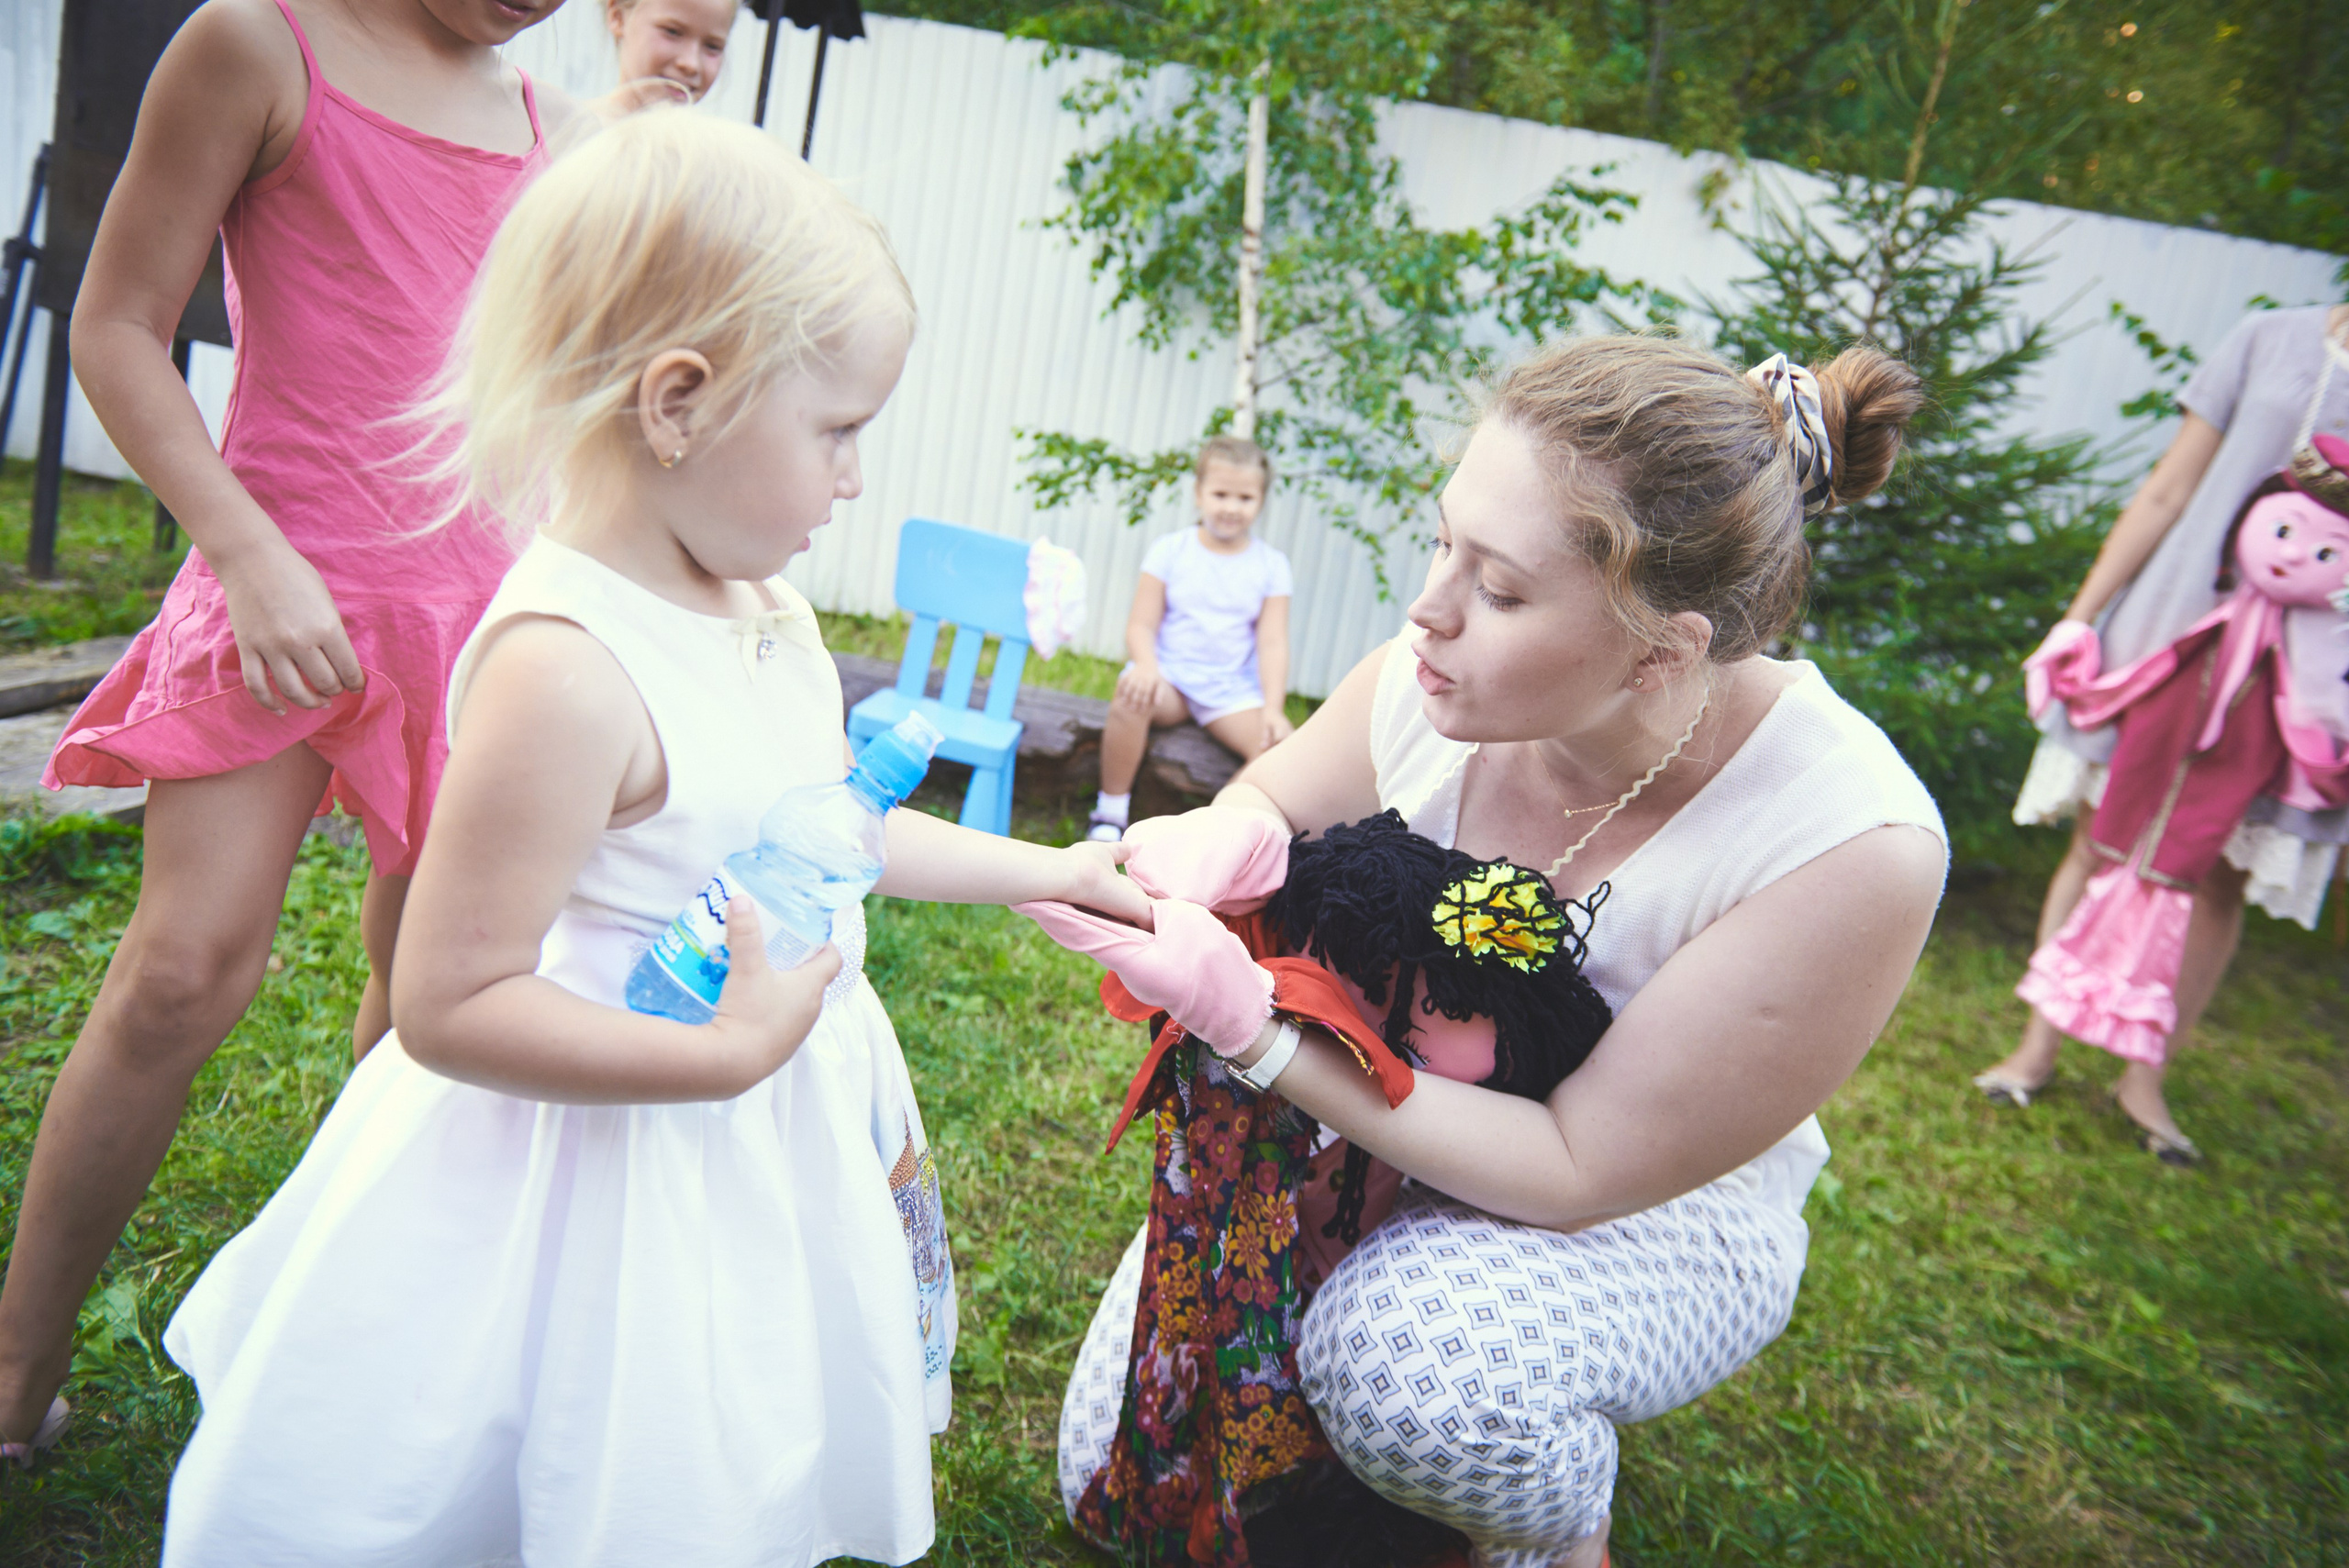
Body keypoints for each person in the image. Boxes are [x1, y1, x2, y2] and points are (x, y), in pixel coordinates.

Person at [155, 112, 1147, 1565]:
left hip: (749, 1123)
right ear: (678, 402)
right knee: (581, 1450)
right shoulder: (567, 665)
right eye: (838, 433)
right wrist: (722, 1056)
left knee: (731, 1429)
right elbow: (448, 1000)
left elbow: (828, 830)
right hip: (590, 1159)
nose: (854, 480)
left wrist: (1046, 870)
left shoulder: (766, 608)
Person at [1040, 336, 1948, 1568]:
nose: (1431, 606)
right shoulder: (1429, 676)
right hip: (1382, 1116)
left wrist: (1256, 1032)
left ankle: (1560, 1525)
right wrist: (1225, 842)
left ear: (1665, 650)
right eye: (1444, 542)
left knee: (1419, 1382)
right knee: (1115, 1478)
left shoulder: (1849, 842)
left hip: (1638, 1196)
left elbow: (1577, 1163)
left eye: (1503, 589)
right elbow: (1268, 801)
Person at [2, 0, 591, 1465]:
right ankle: (15, 1371)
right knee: (182, 972)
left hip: (477, 628)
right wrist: (252, 556)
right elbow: (118, 323)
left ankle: (322, 1356)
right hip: (285, 582)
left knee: (421, 1020)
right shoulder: (260, 45)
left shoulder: (555, 128)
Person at [1976, 301, 2349, 1160]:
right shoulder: (2266, 336)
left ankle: (2145, 1074)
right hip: (2173, 635)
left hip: (2302, 681)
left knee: (2216, 877)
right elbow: (2170, 489)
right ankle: (2037, 1045)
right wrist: (2081, 618)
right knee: (2100, 840)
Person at [1089, 436, 1295, 841]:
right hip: (1170, 681)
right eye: (1220, 494)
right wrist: (1147, 667)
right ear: (1199, 493)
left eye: (1245, 498)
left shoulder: (1272, 566)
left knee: (1278, 746)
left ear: (1261, 502)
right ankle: (1110, 813)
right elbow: (1141, 625)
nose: (1232, 508)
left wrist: (1272, 707)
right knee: (1129, 693)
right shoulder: (1171, 551)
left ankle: (1212, 833)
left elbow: (1272, 643)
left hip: (1229, 690)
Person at [596, 0, 738, 114]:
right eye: (672, 31)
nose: (691, 64)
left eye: (712, 46)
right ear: (618, 16)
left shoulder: (710, 149)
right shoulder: (578, 132)